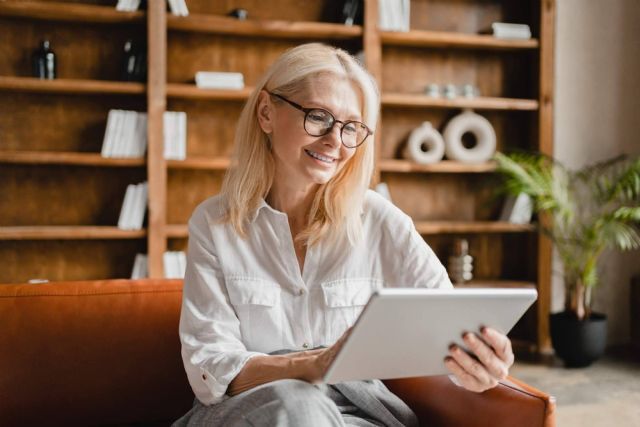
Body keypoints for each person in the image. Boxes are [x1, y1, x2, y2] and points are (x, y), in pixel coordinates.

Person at [172, 43, 514, 427]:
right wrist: (313, 364)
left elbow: (448, 327)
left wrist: (480, 359)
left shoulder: (381, 220)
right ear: (266, 112)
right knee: (297, 404)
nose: (335, 141)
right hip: (249, 412)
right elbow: (212, 368)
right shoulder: (214, 223)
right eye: (318, 117)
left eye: (351, 127)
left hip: (357, 415)